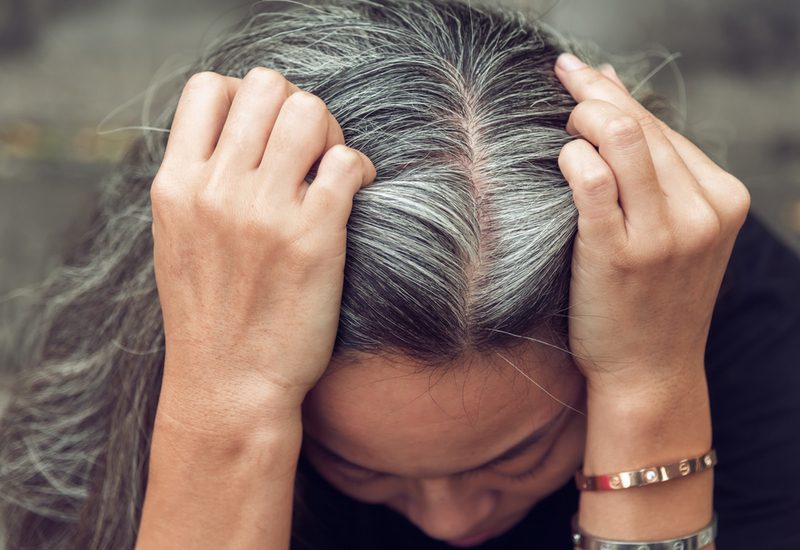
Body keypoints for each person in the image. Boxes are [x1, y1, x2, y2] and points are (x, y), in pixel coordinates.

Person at [1, 0, 798, 549]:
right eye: (354, 464)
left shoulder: (746, 331)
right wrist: (224, 402)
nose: (449, 522)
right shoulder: (157, 368)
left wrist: (649, 388)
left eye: (516, 457)